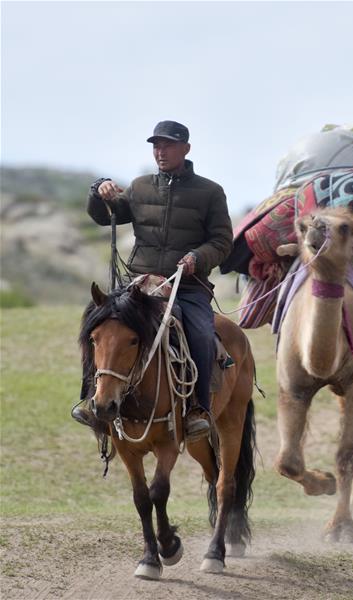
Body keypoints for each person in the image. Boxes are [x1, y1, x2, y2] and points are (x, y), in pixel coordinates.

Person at [73, 120, 233, 441]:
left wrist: (196, 258)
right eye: (156, 146)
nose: (161, 152)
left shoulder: (210, 192)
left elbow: (222, 242)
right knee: (99, 323)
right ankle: (91, 398)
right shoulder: (140, 186)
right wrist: (99, 189)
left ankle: (197, 410)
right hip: (140, 285)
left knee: (201, 334)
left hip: (186, 287)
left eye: (168, 145)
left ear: (185, 149)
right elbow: (106, 215)